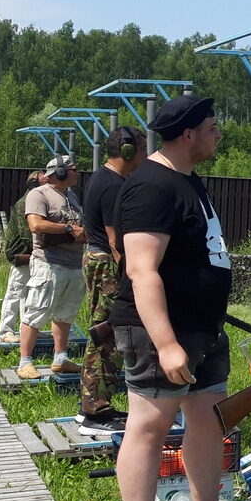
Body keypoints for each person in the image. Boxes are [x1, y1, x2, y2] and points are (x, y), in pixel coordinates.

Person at [111, 93, 251, 501]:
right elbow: (141, 270)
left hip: (202, 330)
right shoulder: (151, 187)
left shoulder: (187, 182)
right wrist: (166, 342)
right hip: (162, 332)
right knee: (150, 426)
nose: (218, 133)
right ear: (187, 133)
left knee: (208, 422)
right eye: (212, 126)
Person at [75, 125, 148, 436]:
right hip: (107, 263)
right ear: (129, 151)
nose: (146, 156)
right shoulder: (113, 185)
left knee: (103, 334)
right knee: (108, 337)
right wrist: (135, 276)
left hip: (98, 260)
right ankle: (96, 411)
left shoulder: (103, 178)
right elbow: (116, 239)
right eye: (143, 149)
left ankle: (93, 405)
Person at [17, 156, 86, 379]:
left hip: (73, 264)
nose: (77, 173)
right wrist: (68, 229)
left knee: (66, 313)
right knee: (36, 311)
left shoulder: (71, 196)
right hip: (48, 264)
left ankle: (60, 358)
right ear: (61, 172)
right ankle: (25, 361)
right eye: (73, 169)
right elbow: (35, 224)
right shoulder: (39, 194)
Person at [0, 171, 42, 343]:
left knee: (29, 295)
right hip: (22, 253)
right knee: (15, 293)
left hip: (31, 254)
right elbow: (26, 234)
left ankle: (26, 330)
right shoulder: (26, 203)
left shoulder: (32, 201)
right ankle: (6, 330)